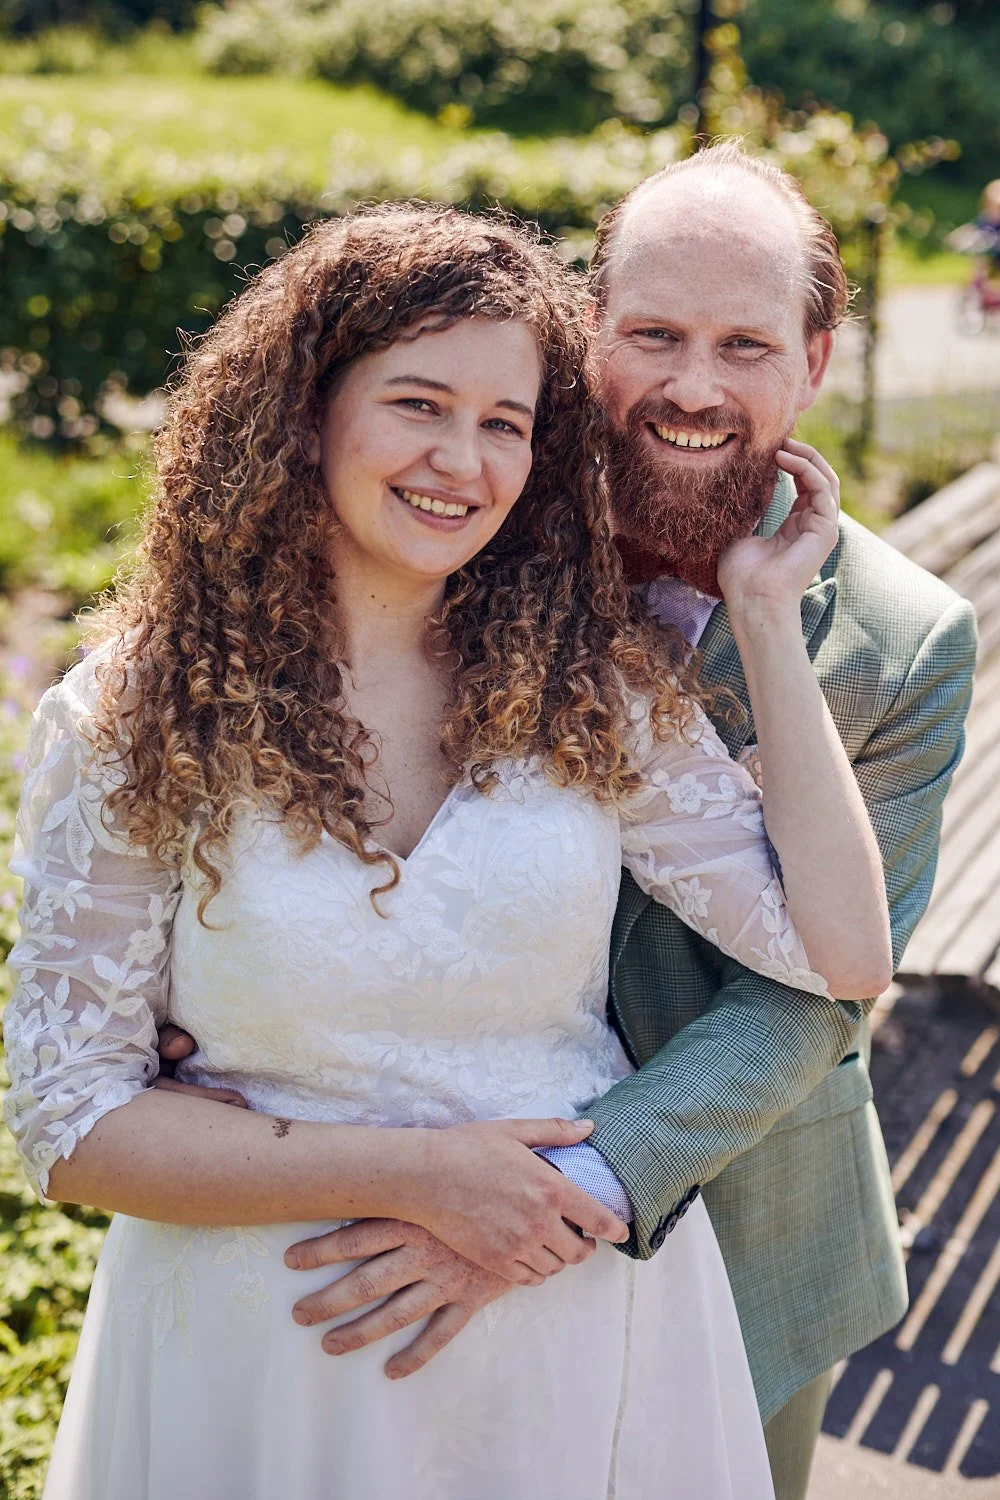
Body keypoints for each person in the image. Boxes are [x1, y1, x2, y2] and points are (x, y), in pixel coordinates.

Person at [2, 201, 893, 1500]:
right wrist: (416, 1175)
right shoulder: (133, 717)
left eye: (505, 423)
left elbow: (841, 953)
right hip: (267, 1353)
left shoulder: (593, 686)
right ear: (306, 413)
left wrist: (761, 609)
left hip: (575, 1346)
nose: (462, 462)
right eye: (419, 404)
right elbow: (64, 1119)